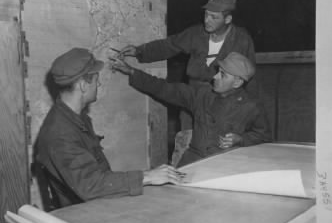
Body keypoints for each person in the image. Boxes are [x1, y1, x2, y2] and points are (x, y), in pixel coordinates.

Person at [36, 48, 184, 207]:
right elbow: (91, 186)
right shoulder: (60, 134)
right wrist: (146, 177)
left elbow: (99, 175)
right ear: (83, 85)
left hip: (96, 203)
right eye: (95, 79)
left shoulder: (75, 118)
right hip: (83, 214)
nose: (98, 84)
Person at [118, 0, 256, 129]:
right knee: (187, 139)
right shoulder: (196, 33)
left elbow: (248, 78)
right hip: (192, 99)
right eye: (206, 14)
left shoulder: (242, 40)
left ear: (227, 19)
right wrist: (139, 51)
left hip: (224, 103)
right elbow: (169, 45)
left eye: (214, 17)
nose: (206, 20)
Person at [111, 52, 271, 167]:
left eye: (222, 75)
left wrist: (241, 140)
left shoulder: (251, 107)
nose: (215, 77)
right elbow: (165, 88)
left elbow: (262, 136)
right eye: (217, 72)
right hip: (193, 163)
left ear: (237, 83)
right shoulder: (202, 95)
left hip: (225, 166)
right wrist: (132, 71)